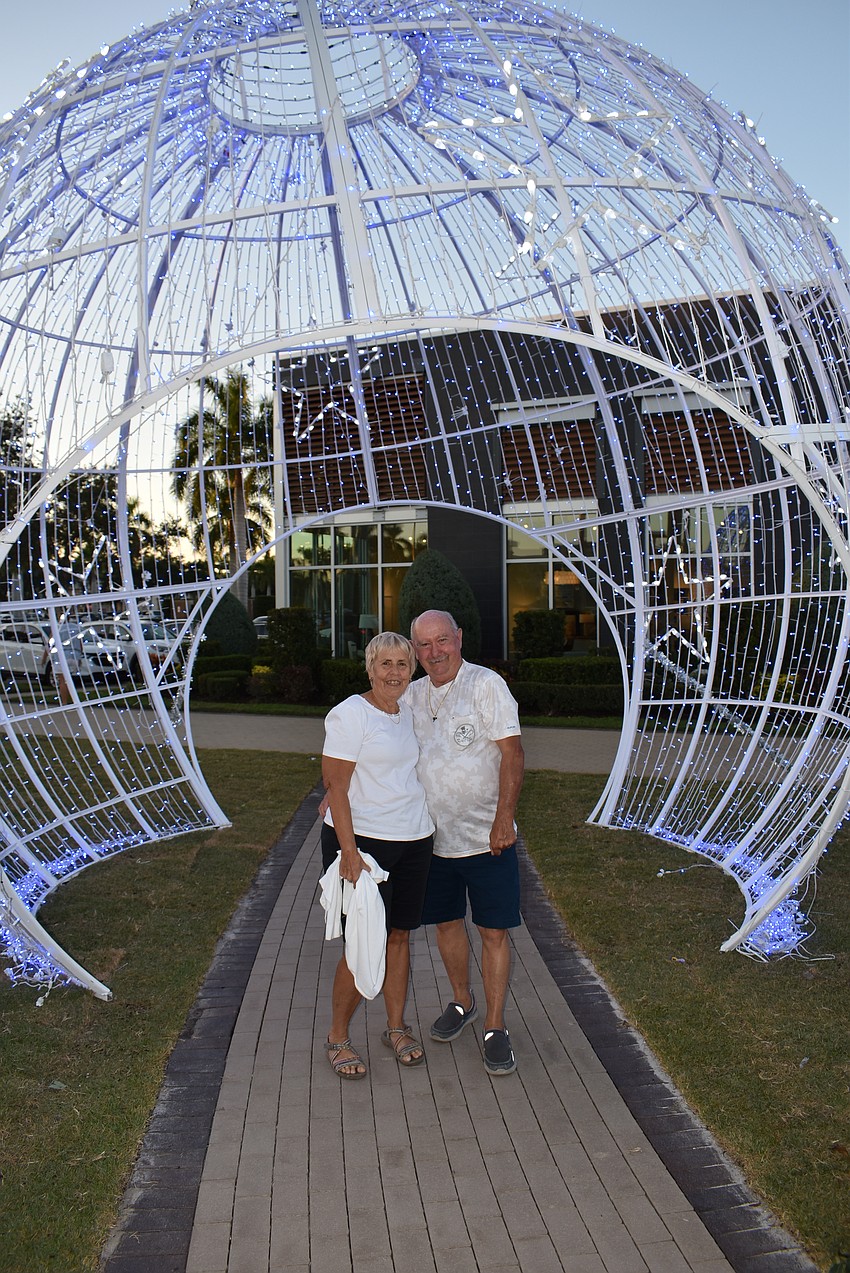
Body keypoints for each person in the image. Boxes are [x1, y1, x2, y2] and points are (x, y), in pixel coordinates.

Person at [406, 609, 525, 1076]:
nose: (434, 652)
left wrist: (504, 819)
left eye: (442, 640)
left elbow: (512, 754)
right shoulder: (411, 695)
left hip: (486, 838)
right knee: (446, 926)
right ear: (416, 651)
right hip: (430, 840)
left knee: (493, 931)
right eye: (424, 645)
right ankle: (463, 1001)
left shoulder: (486, 684)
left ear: (458, 637)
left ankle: (495, 1026)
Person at [321, 631, 435, 1079]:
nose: (393, 673)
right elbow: (337, 786)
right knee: (361, 944)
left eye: (402, 664)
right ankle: (337, 1037)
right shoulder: (350, 714)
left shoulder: (407, 711)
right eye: (384, 664)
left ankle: (395, 1027)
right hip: (364, 845)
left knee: (399, 938)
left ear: (412, 670)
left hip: (414, 839)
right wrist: (349, 852)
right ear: (369, 669)